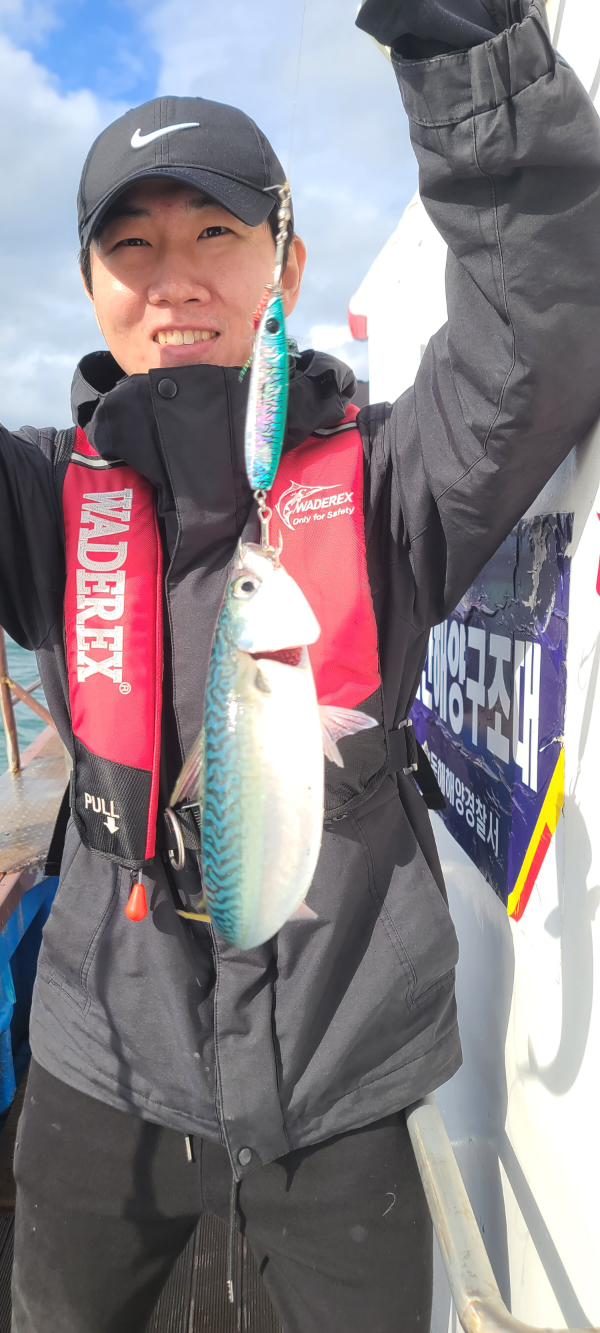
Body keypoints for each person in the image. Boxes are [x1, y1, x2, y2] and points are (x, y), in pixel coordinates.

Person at [3, 1, 600, 1330]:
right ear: (91, 286)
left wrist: (470, 51)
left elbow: (541, 328)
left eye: (218, 232)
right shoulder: (43, 497)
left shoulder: (391, 480)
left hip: (348, 1079)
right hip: (103, 1073)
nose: (175, 278)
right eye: (131, 244)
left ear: (287, 258)